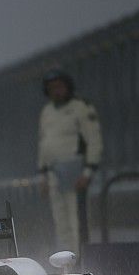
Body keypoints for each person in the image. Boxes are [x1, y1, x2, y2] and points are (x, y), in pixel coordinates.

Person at [37, 69, 103, 254]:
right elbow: (43, 143)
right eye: (51, 88)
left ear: (68, 87)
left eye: (59, 87)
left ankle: (81, 258)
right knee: (60, 222)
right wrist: (42, 175)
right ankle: (65, 261)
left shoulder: (81, 107)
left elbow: (94, 140)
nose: (56, 91)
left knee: (77, 221)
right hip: (53, 173)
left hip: (75, 171)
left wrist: (88, 171)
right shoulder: (47, 111)